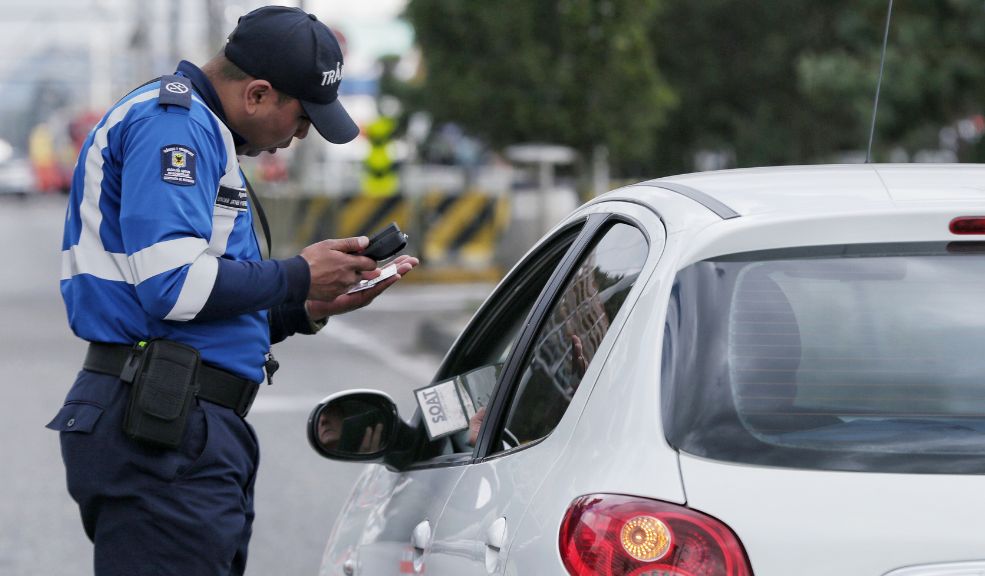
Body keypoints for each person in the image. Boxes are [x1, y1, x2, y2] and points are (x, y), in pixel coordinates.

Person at [46, 6, 417, 575]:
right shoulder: (175, 127)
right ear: (259, 94)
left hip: (175, 420)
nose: (297, 137)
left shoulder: (200, 130)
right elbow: (172, 288)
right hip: (159, 427)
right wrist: (298, 274)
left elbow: (198, 307)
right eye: (301, 119)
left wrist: (304, 306)